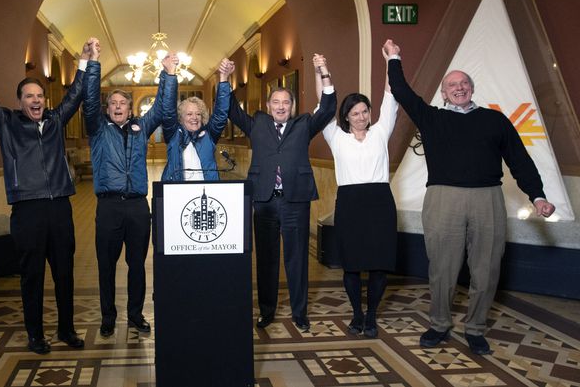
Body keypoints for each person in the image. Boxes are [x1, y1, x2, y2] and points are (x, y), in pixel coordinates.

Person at [384, 39, 556, 354]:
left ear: (472, 89)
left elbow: (520, 160)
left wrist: (537, 196)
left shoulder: (495, 120)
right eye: (452, 85)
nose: (459, 88)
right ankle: (438, 324)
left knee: (487, 267)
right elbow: (401, 90)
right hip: (442, 199)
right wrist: (394, 57)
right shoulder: (432, 117)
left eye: (464, 83)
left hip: (487, 198)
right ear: (444, 93)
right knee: (442, 267)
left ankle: (475, 328)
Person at [0, 37, 99, 353]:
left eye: (40, 96)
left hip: (59, 207)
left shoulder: (56, 120)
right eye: (29, 96)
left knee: (64, 275)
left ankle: (66, 330)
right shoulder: (6, 123)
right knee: (32, 277)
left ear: (45, 100)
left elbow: (76, 93)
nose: (35, 100)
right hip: (27, 211)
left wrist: (85, 59)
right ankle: (36, 335)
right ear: (19, 101)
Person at [227, 55, 337, 330]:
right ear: (268, 106)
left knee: (297, 258)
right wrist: (223, 78)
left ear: (292, 106)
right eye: (275, 102)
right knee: (265, 259)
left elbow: (328, 107)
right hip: (264, 202)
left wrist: (322, 70)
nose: (280, 107)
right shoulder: (257, 124)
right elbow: (230, 109)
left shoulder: (304, 125)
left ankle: (300, 312)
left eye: (285, 102)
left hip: (294, 202)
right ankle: (266, 310)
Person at [83, 52, 178, 337]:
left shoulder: (141, 128)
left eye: (122, 103)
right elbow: (88, 102)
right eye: (112, 103)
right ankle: (108, 316)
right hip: (109, 207)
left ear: (129, 108)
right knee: (106, 266)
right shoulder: (98, 129)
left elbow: (161, 108)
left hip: (138, 207)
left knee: (137, 264)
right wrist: (94, 64)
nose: (117, 106)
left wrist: (169, 74)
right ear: (107, 108)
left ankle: (135, 315)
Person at [321, 50, 398, 339]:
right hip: (350, 204)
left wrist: (391, 59)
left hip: (380, 202)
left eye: (365, 110)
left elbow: (390, 95)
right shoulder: (335, 136)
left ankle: (372, 316)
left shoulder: (381, 132)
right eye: (355, 112)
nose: (362, 116)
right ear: (346, 116)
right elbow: (324, 102)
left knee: (379, 264)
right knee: (351, 265)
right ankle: (356, 314)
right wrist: (323, 69)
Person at [161, 58, 232, 181]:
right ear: (181, 118)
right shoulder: (173, 134)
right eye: (189, 114)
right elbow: (167, 109)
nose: (194, 118)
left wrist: (224, 78)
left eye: (198, 114)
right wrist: (171, 74)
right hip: (176, 193)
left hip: (206, 193)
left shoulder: (209, 134)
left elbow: (221, 113)